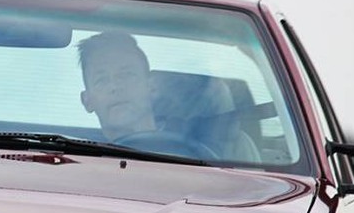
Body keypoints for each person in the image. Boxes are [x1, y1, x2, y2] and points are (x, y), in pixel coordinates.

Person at [76, 31, 259, 161]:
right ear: (87, 101)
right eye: (101, 80)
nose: (115, 87)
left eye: (127, 75)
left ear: (152, 87)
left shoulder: (225, 149)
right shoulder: (75, 160)